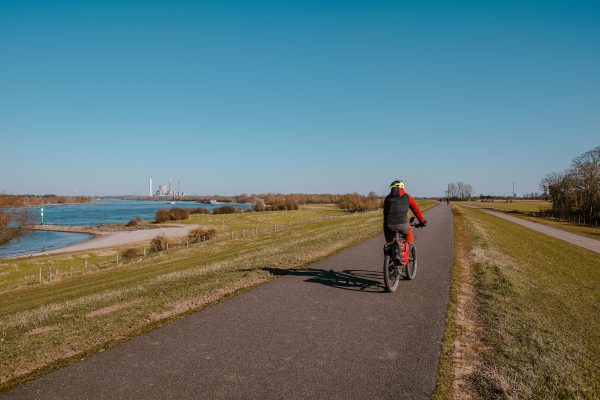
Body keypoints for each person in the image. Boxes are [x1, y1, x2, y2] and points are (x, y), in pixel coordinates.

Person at [383, 180, 426, 244]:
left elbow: (385, 212)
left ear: (392, 188)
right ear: (402, 187)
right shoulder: (407, 196)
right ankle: (409, 246)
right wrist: (422, 221)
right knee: (409, 232)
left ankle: (389, 248)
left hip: (389, 225)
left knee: (389, 241)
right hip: (403, 224)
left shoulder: (387, 198)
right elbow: (416, 210)